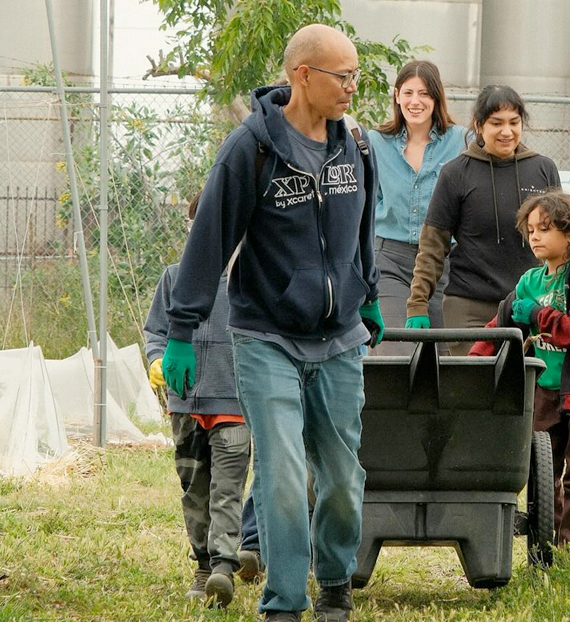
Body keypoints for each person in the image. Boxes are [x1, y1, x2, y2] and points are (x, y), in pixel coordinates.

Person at [161, 23, 383, 622]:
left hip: (338, 339)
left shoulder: (356, 144)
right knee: (283, 474)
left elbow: (362, 226)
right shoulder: (250, 148)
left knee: (340, 477)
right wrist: (181, 329)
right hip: (266, 336)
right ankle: (284, 603)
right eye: (342, 76)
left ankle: (334, 584)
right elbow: (208, 241)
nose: (352, 87)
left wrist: (367, 296)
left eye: (356, 75)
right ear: (301, 75)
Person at [469, 191, 570, 547]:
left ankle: (569, 551)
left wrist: (537, 315)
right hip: (543, 391)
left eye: (545, 229)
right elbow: (500, 327)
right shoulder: (529, 282)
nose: (534, 236)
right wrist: (471, 362)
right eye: (531, 229)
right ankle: (542, 550)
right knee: (541, 472)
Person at [144, 193, 250, 608]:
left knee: (227, 488)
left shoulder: (248, 283)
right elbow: (156, 331)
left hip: (233, 404)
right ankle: (203, 563)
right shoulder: (174, 279)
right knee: (194, 488)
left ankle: (223, 568)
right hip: (185, 405)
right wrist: (156, 358)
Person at [405, 85, 561, 355]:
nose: (506, 132)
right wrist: (417, 303)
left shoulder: (542, 169)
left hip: (529, 304)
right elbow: (432, 247)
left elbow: (561, 239)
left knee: (524, 392)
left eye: (514, 123)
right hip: (468, 305)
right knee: (473, 391)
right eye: (496, 123)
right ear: (479, 125)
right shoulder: (456, 173)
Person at [368, 60, 467, 354]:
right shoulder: (375, 142)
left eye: (424, 94)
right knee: (395, 351)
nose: (415, 102)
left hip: (442, 263)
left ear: (436, 99)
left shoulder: (462, 141)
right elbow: (364, 206)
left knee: (440, 358)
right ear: (396, 95)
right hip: (389, 261)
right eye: (408, 93)